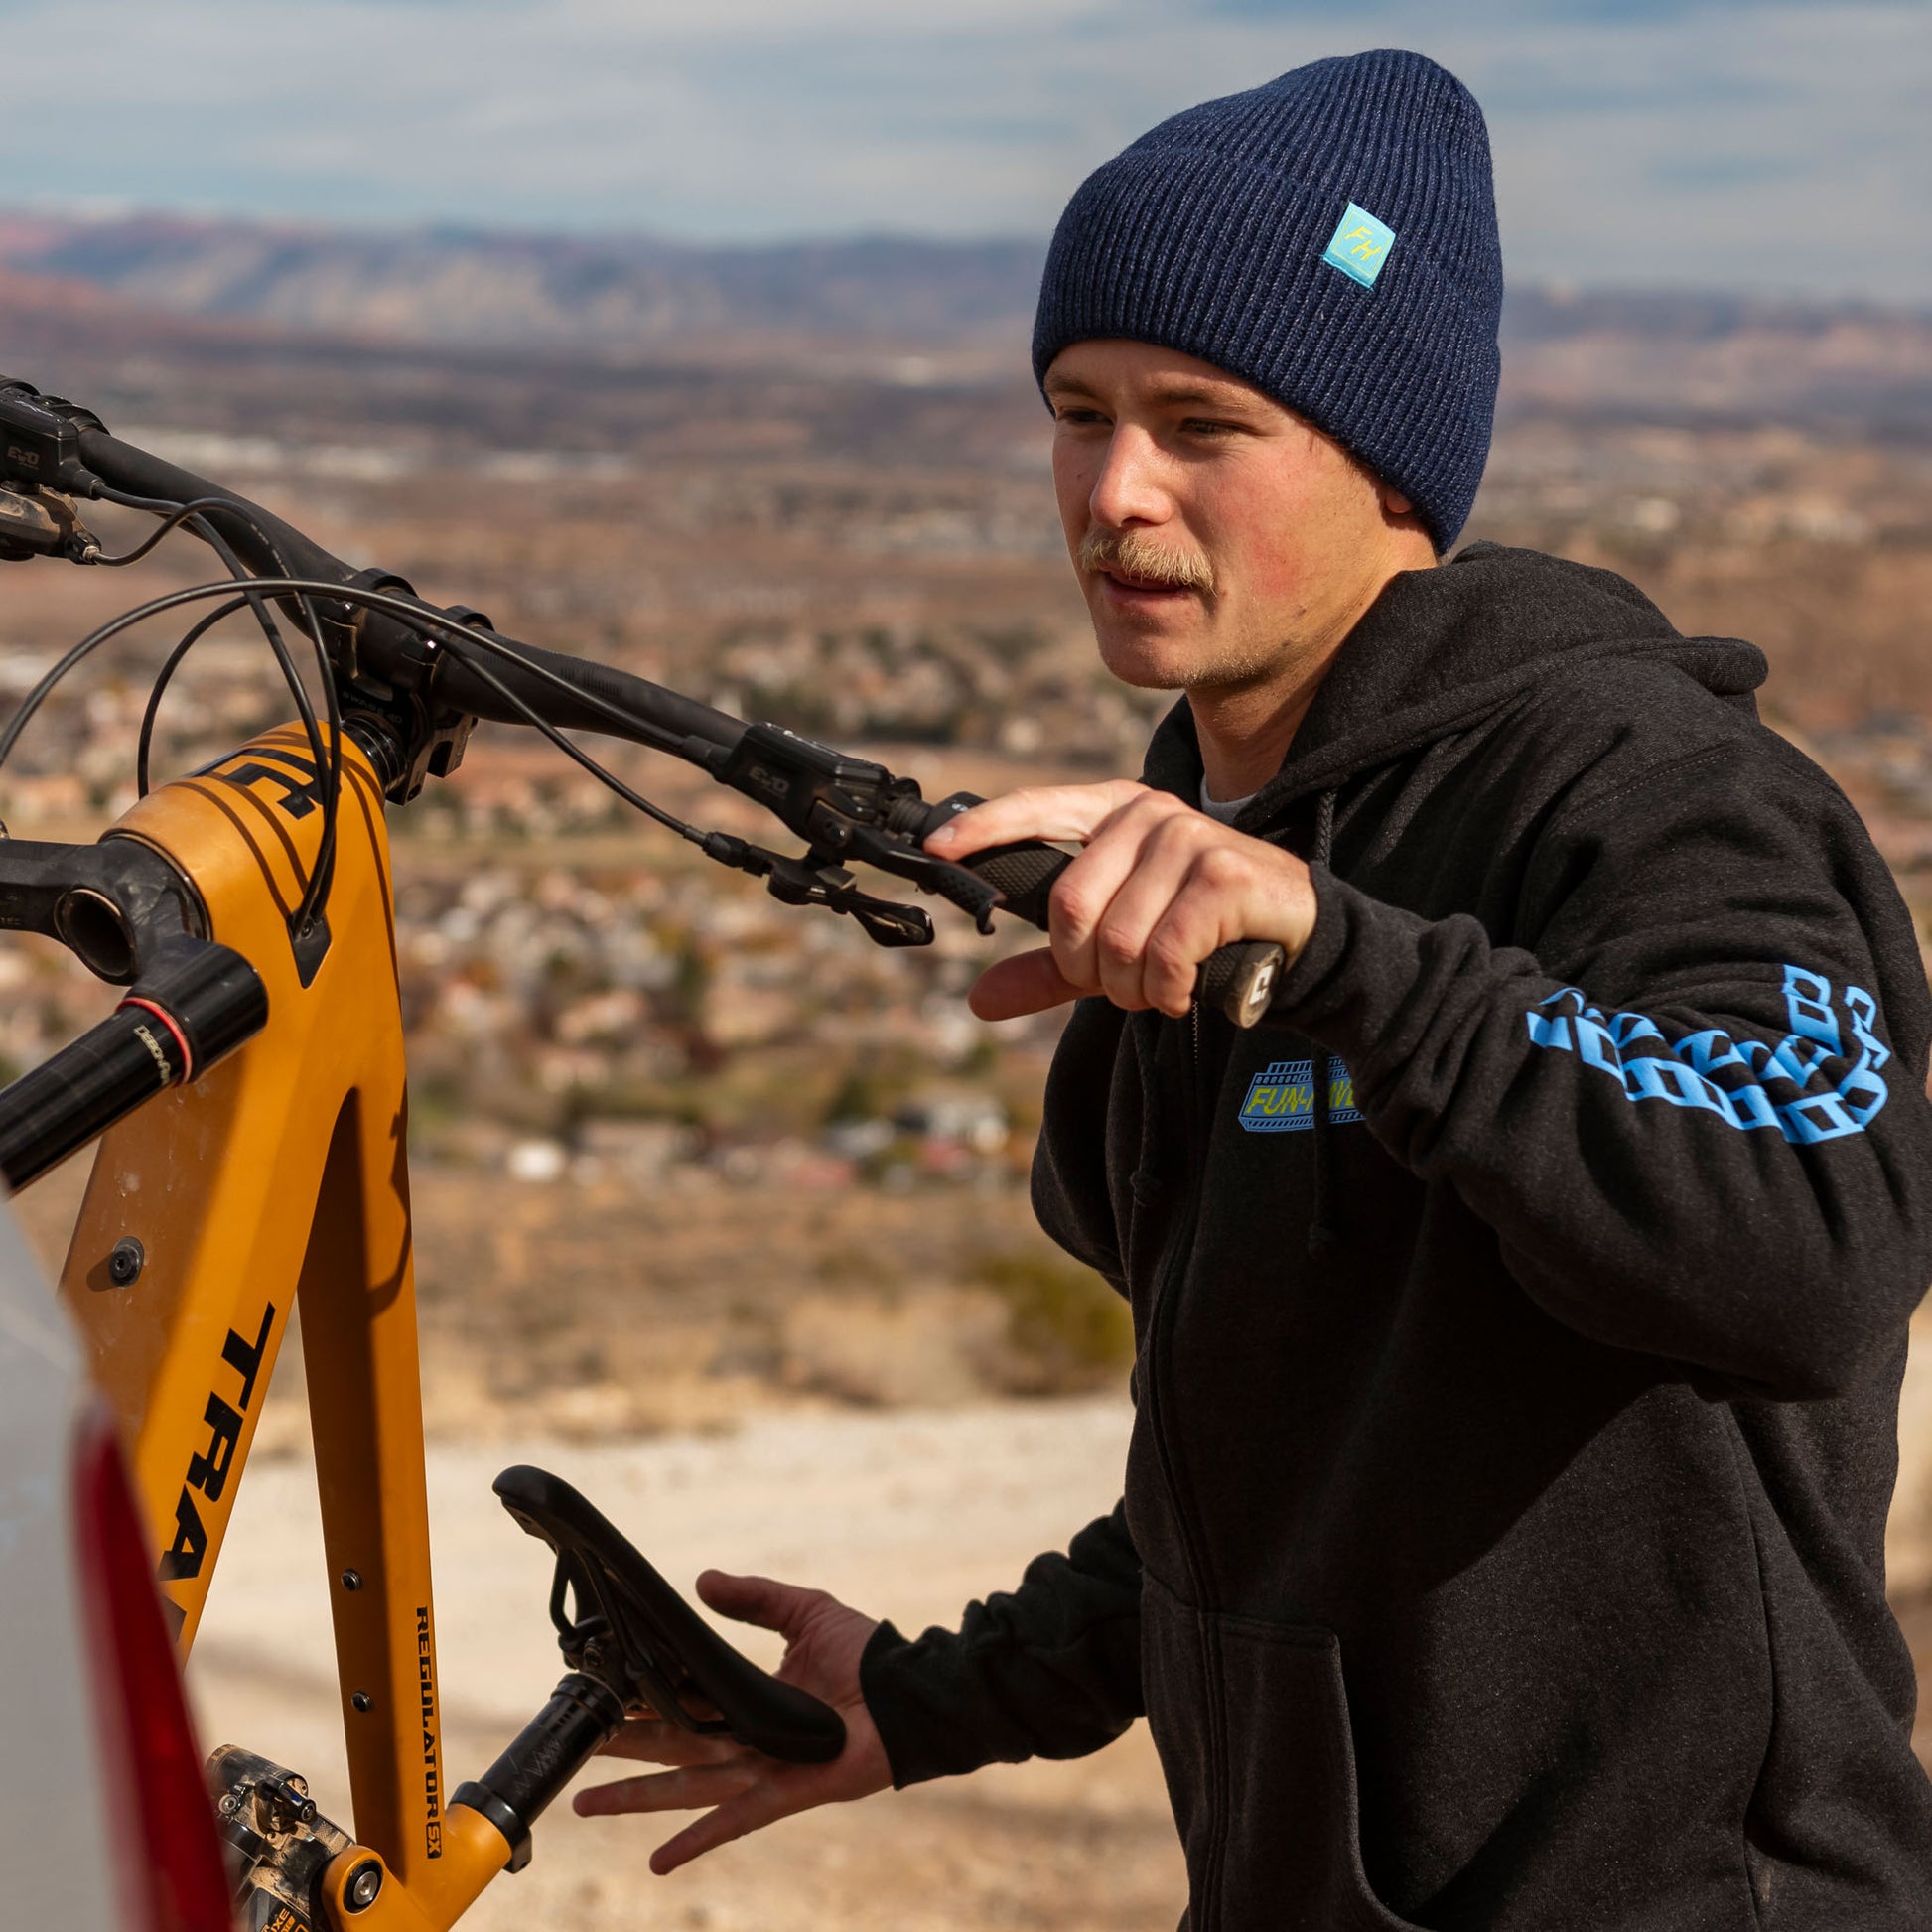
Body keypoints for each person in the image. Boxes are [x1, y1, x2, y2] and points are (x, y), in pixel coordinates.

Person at [575, 49, 1932, 1929]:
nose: (1114, 490)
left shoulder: (1650, 793)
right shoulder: (1208, 842)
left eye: (1201, 422)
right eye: (1076, 410)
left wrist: (1344, 950)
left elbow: (1812, 1244)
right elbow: (1282, 1473)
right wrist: (934, 1695)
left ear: (1386, 461)